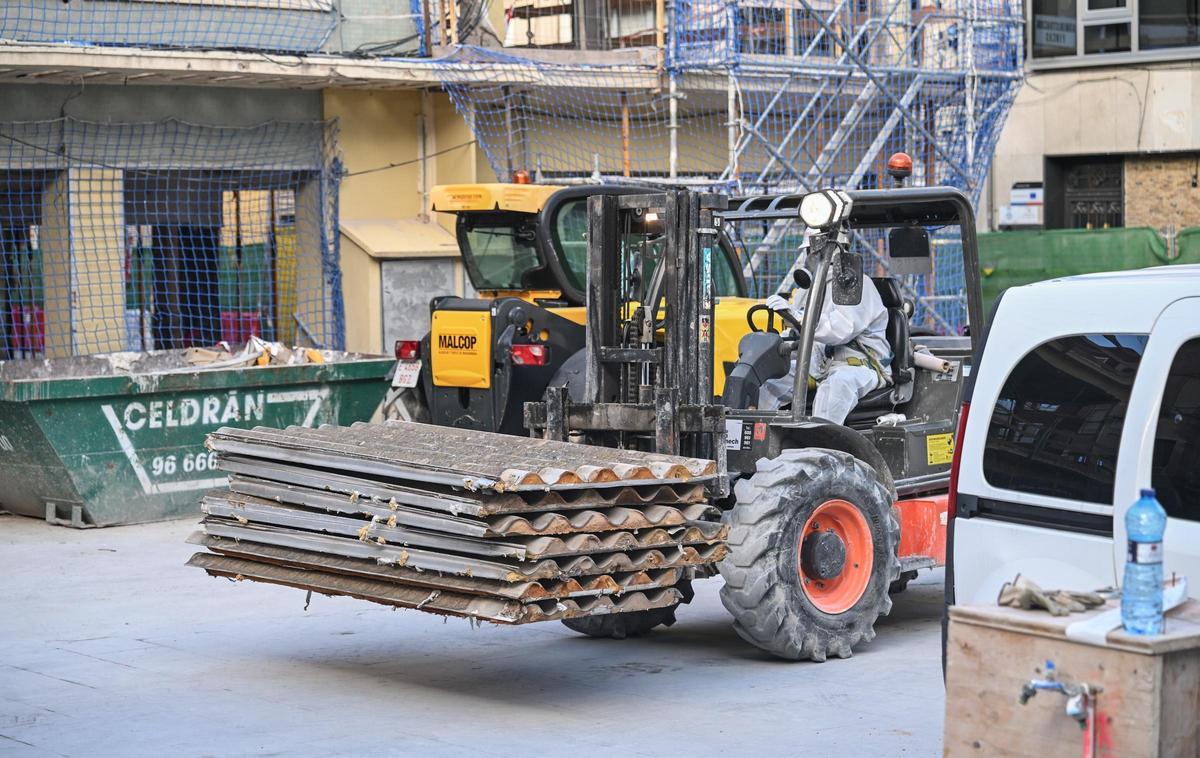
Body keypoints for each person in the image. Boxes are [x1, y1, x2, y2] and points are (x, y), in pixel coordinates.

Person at [759, 253, 893, 425]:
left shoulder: (855, 284)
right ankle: (760, 441)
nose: (810, 256)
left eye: (815, 250)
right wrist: (775, 348)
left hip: (859, 366)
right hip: (819, 365)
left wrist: (800, 318)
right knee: (769, 379)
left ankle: (820, 446)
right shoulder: (809, 288)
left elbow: (842, 330)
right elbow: (800, 334)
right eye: (809, 250)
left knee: (836, 386)